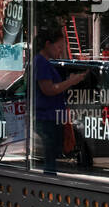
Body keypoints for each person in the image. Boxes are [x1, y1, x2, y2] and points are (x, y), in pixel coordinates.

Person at [33, 27, 88, 174]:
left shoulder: (44, 62)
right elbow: (49, 89)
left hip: (51, 117)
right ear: (47, 44)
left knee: (52, 158)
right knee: (50, 160)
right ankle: (49, 186)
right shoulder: (41, 62)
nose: (60, 51)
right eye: (59, 47)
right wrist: (71, 82)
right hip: (47, 117)